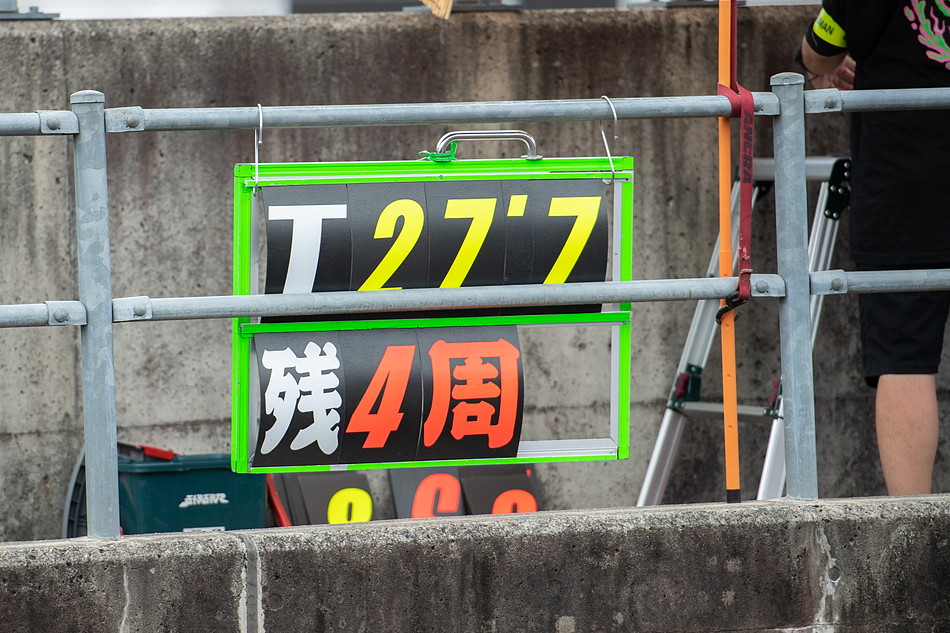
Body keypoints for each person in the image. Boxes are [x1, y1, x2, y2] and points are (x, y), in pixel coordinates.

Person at [798, 1, 950, 495]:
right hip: (907, 173)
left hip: (907, 173)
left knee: (905, 356)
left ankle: (913, 530)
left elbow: (821, 48)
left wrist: (819, 65)